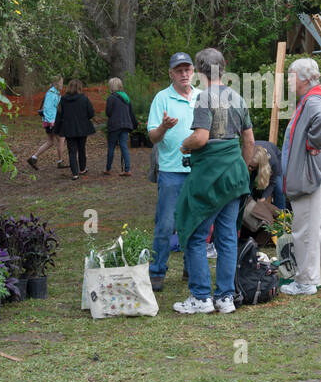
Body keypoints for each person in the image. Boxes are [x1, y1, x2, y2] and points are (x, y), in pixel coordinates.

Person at [173, 48, 254, 314]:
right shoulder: (238, 98)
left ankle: (200, 298)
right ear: (224, 66)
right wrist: (240, 166)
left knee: (196, 235)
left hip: (210, 175)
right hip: (233, 174)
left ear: (199, 70)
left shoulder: (204, 98)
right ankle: (225, 298)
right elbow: (249, 141)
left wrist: (185, 145)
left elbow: (201, 138)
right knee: (227, 236)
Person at [279, 58, 321, 295]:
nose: (288, 81)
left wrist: (315, 143)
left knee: (304, 227)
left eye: (291, 76)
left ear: (304, 79)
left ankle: (306, 281)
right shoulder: (313, 98)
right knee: (318, 222)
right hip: (319, 171)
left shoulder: (313, 101)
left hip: (312, 174)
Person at [146, 53, 199, 291]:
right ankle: (157, 271)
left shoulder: (201, 97)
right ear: (171, 74)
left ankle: (191, 268)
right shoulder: (162, 99)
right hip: (170, 171)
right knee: (166, 225)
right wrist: (163, 128)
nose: (184, 74)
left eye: (187, 69)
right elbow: (152, 137)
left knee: (194, 223)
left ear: (193, 71)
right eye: (179, 70)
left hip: (198, 170)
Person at [55, 79, 95, 179]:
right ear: (80, 87)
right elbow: (91, 113)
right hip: (82, 128)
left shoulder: (63, 99)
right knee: (82, 149)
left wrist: (56, 129)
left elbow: (59, 115)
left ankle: (74, 173)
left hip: (69, 129)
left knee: (72, 151)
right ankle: (82, 169)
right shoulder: (84, 98)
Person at [27, 75, 66, 170]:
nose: (62, 84)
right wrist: (51, 121)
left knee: (50, 142)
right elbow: (47, 109)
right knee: (61, 139)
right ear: (56, 83)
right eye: (61, 82)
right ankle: (60, 162)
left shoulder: (55, 93)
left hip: (50, 121)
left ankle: (33, 158)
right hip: (51, 122)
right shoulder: (51, 93)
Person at [103, 77, 135, 176]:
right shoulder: (126, 97)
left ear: (111, 86)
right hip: (126, 124)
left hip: (114, 125)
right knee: (124, 146)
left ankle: (108, 168)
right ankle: (127, 169)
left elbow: (108, 113)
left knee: (111, 146)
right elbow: (131, 112)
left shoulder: (111, 98)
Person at [250, 139, 285, 210]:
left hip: (275, 158)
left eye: (252, 167)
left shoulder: (273, 162)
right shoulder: (247, 152)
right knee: (249, 185)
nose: (249, 169)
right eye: (249, 166)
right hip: (255, 159)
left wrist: (264, 198)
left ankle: (281, 215)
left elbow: (272, 183)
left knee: (279, 189)